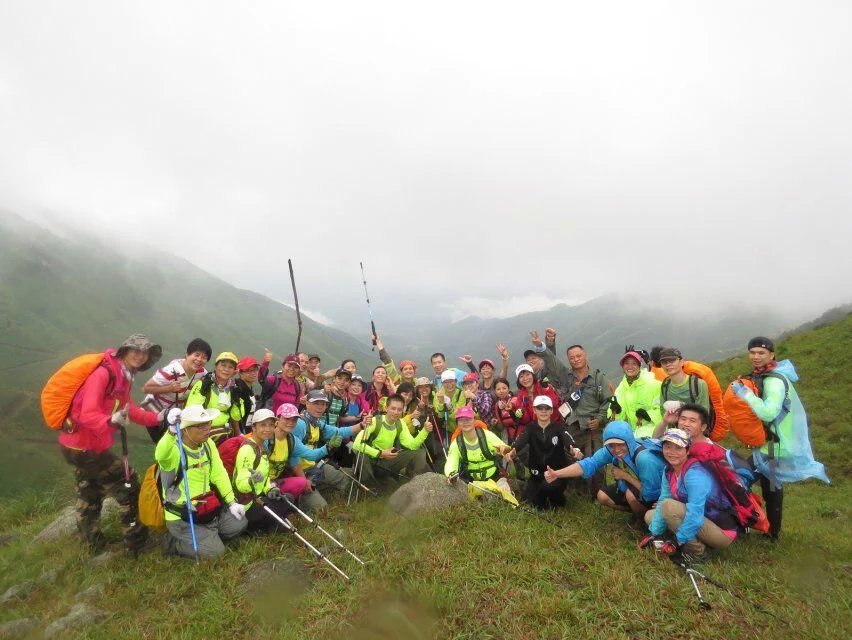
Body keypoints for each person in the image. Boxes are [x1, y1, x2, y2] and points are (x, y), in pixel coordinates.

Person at [58, 333, 164, 555]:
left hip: (77, 446)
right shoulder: (104, 374)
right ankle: (136, 543)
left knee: (90, 491)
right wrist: (109, 421)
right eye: (136, 350)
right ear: (124, 351)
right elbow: (87, 414)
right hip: (86, 448)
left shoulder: (122, 375)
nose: (141, 355)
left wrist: (157, 418)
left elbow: (129, 409)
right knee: (130, 485)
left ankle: (91, 544)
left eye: (144, 352)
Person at [730, 337, 829, 539]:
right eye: (753, 352)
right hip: (772, 444)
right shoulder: (767, 376)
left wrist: (745, 394)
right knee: (770, 487)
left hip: (775, 447)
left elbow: (768, 413)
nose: (756, 356)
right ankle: (771, 531)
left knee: (740, 479)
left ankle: (759, 528)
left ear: (772, 355)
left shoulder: (774, 381)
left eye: (761, 353)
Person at [156, 405, 247, 557]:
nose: (207, 428)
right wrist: (171, 432)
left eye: (208, 423)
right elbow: (161, 454)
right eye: (200, 425)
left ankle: (207, 537)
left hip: (206, 507)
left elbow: (218, 474)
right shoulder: (174, 450)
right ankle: (176, 543)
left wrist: (232, 502)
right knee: (216, 553)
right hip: (182, 515)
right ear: (185, 429)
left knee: (240, 523)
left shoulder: (208, 445)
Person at [529, 332, 612, 488]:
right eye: (572, 358)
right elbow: (552, 361)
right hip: (572, 426)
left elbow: (607, 402)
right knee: (571, 458)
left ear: (585, 355)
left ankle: (598, 492)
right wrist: (541, 345)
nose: (576, 359)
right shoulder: (566, 376)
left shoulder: (599, 378)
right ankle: (576, 490)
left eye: (578, 356)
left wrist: (600, 419)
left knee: (595, 460)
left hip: (592, 427)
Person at [639, 428, 736, 561]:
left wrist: (676, 541)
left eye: (678, 448)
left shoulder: (695, 474)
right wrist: (654, 534)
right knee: (651, 516)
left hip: (721, 530)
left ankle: (697, 552)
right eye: (667, 447)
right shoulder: (669, 471)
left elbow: (695, 514)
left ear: (688, 450)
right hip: (702, 519)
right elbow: (663, 499)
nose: (672, 452)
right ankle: (687, 538)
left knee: (669, 507)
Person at [543, 421, 666, 523]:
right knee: (602, 496)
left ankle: (643, 522)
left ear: (628, 441)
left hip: (658, 496)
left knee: (630, 495)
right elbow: (589, 464)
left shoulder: (644, 458)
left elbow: (652, 493)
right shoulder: (610, 450)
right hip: (636, 487)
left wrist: (626, 477)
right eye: (611, 445)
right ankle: (636, 510)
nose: (616, 449)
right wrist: (557, 474)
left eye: (620, 444)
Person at [294, 390, 366, 512]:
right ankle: (300, 496)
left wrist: (361, 425)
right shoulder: (299, 424)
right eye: (316, 403)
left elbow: (339, 432)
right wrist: (303, 479)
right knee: (322, 510)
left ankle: (315, 488)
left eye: (323, 404)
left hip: (312, 468)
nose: (320, 407)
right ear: (307, 404)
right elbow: (292, 457)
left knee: (341, 477)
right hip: (297, 473)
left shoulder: (317, 423)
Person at [505, 396, 582, 510]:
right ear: (534, 410)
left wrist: (575, 450)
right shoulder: (530, 428)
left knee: (547, 493)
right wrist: (512, 451)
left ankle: (559, 498)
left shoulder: (558, 427)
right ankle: (537, 492)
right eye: (540, 408)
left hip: (556, 475)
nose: (543, 411)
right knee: (528, 501)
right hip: (536, 476)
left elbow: (569, 441)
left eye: (547, 408)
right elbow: (520, 440)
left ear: (551, 411)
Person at [232, 408, 297, 534]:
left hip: (259, 497)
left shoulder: (263, 447)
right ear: (254, 427)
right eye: (263, 425)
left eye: (271, 425)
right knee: (284, 503)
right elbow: (240, 484)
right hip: (248, 504)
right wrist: (252, 480)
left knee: (286, 498)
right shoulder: (247, 449)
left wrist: (269, 489)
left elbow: (265, 478)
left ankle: (269, 525)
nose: (267, 429)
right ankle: (256, 528)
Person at [352, 394, 433, 492]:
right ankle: (368, 488)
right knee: (362, 454)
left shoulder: (400, 423)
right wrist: (380, 453)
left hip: (385, 464)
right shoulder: (374, 421)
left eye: (399, 409)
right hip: (369, 463)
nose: (396, 412)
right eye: (393, 408)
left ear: (403, 410)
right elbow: (356, 444)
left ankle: (428, 484)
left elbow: (412, 445)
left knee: (417, 453)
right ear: (386, 408)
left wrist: (425, 431)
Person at [140, 337, 211, 431]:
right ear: (187, 355)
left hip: (174, 413)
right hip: (155, 411)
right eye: (196, 355)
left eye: (204, 357)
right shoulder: (170, 371)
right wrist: (169, 388)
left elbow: (213, 379)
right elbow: (145, 388)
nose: (199, 359)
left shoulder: (201, 373)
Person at [445, 406, 513, 495]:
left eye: (468, 419)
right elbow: (451, 461)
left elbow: (501, 447)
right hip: (473, 481)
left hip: (495, 477)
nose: (465, 422)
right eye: (461, 420)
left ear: (474, 420)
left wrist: (507, 452)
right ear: (457, 423)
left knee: (505, 495)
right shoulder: (456, 443)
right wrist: (451, 474)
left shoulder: (487, 435)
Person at [184, 352, 244, 443]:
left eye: (230, 367)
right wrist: (203, 392)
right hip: (203, 431)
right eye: (223, 365)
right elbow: (191, 409)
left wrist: (237, 401)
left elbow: (237, 416)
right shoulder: (204, 384)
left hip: (225, 431)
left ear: (234, 371)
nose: (226, 369)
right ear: (216, 367)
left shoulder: (233, 389)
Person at [610, 350, 662, 438]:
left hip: (653, 433)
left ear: (639, 365)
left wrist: (648, 415)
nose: (630, 366)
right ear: (622, 366)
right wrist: (617, 411)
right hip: (631, 432)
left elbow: (663, 411)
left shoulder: (655, 385)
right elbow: (615, 419)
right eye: (626, 363)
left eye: (634, 363)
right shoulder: (620, 389)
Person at [266, 404, 313, 501]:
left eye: (294, 420)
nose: (291, 423)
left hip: (276, 481)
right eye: (287, 419)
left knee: (301, 482)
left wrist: (328, 447)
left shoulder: (291, 440)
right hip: (262, 482)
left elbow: (311, 454)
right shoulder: (266, 439)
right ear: (277, 419)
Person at [658, 347, 710, 412]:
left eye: (672, 360)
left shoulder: (698, 384)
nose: (668, 364)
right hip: (672, 422)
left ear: (682, 362)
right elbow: (663, 411)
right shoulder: (665, 385)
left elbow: (703, 414)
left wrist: (681, 406)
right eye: (664, 362)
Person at [510, 363, 561, 428]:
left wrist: (546, 389)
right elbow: (526, 420)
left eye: (527, 374)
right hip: (538, 429)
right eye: (521, 376)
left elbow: (554, 403)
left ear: (533, 375)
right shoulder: (521, 396)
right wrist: (519, 413)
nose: (525, 378)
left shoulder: (543, 385)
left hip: (555, 424)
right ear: (519, 381)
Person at [433, 369, 467, 438]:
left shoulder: (461, 393)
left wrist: (448, 404)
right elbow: (440, 415)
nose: (449, 385)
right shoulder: (438, 395)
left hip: (461, 429)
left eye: (451, 381)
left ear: (456, 381)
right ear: (442, 383)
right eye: (446, 382)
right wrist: (441, 403)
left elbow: (457, 416)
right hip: (446, 431)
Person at [233, 355, 261, 434]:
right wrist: (239, 434)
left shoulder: (248, 388)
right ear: (240, 373)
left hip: (247, 430)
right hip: (240, 433)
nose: (254, 373)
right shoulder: (238, 390)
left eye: (255, 370)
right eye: (249, 371)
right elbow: (235, 416)